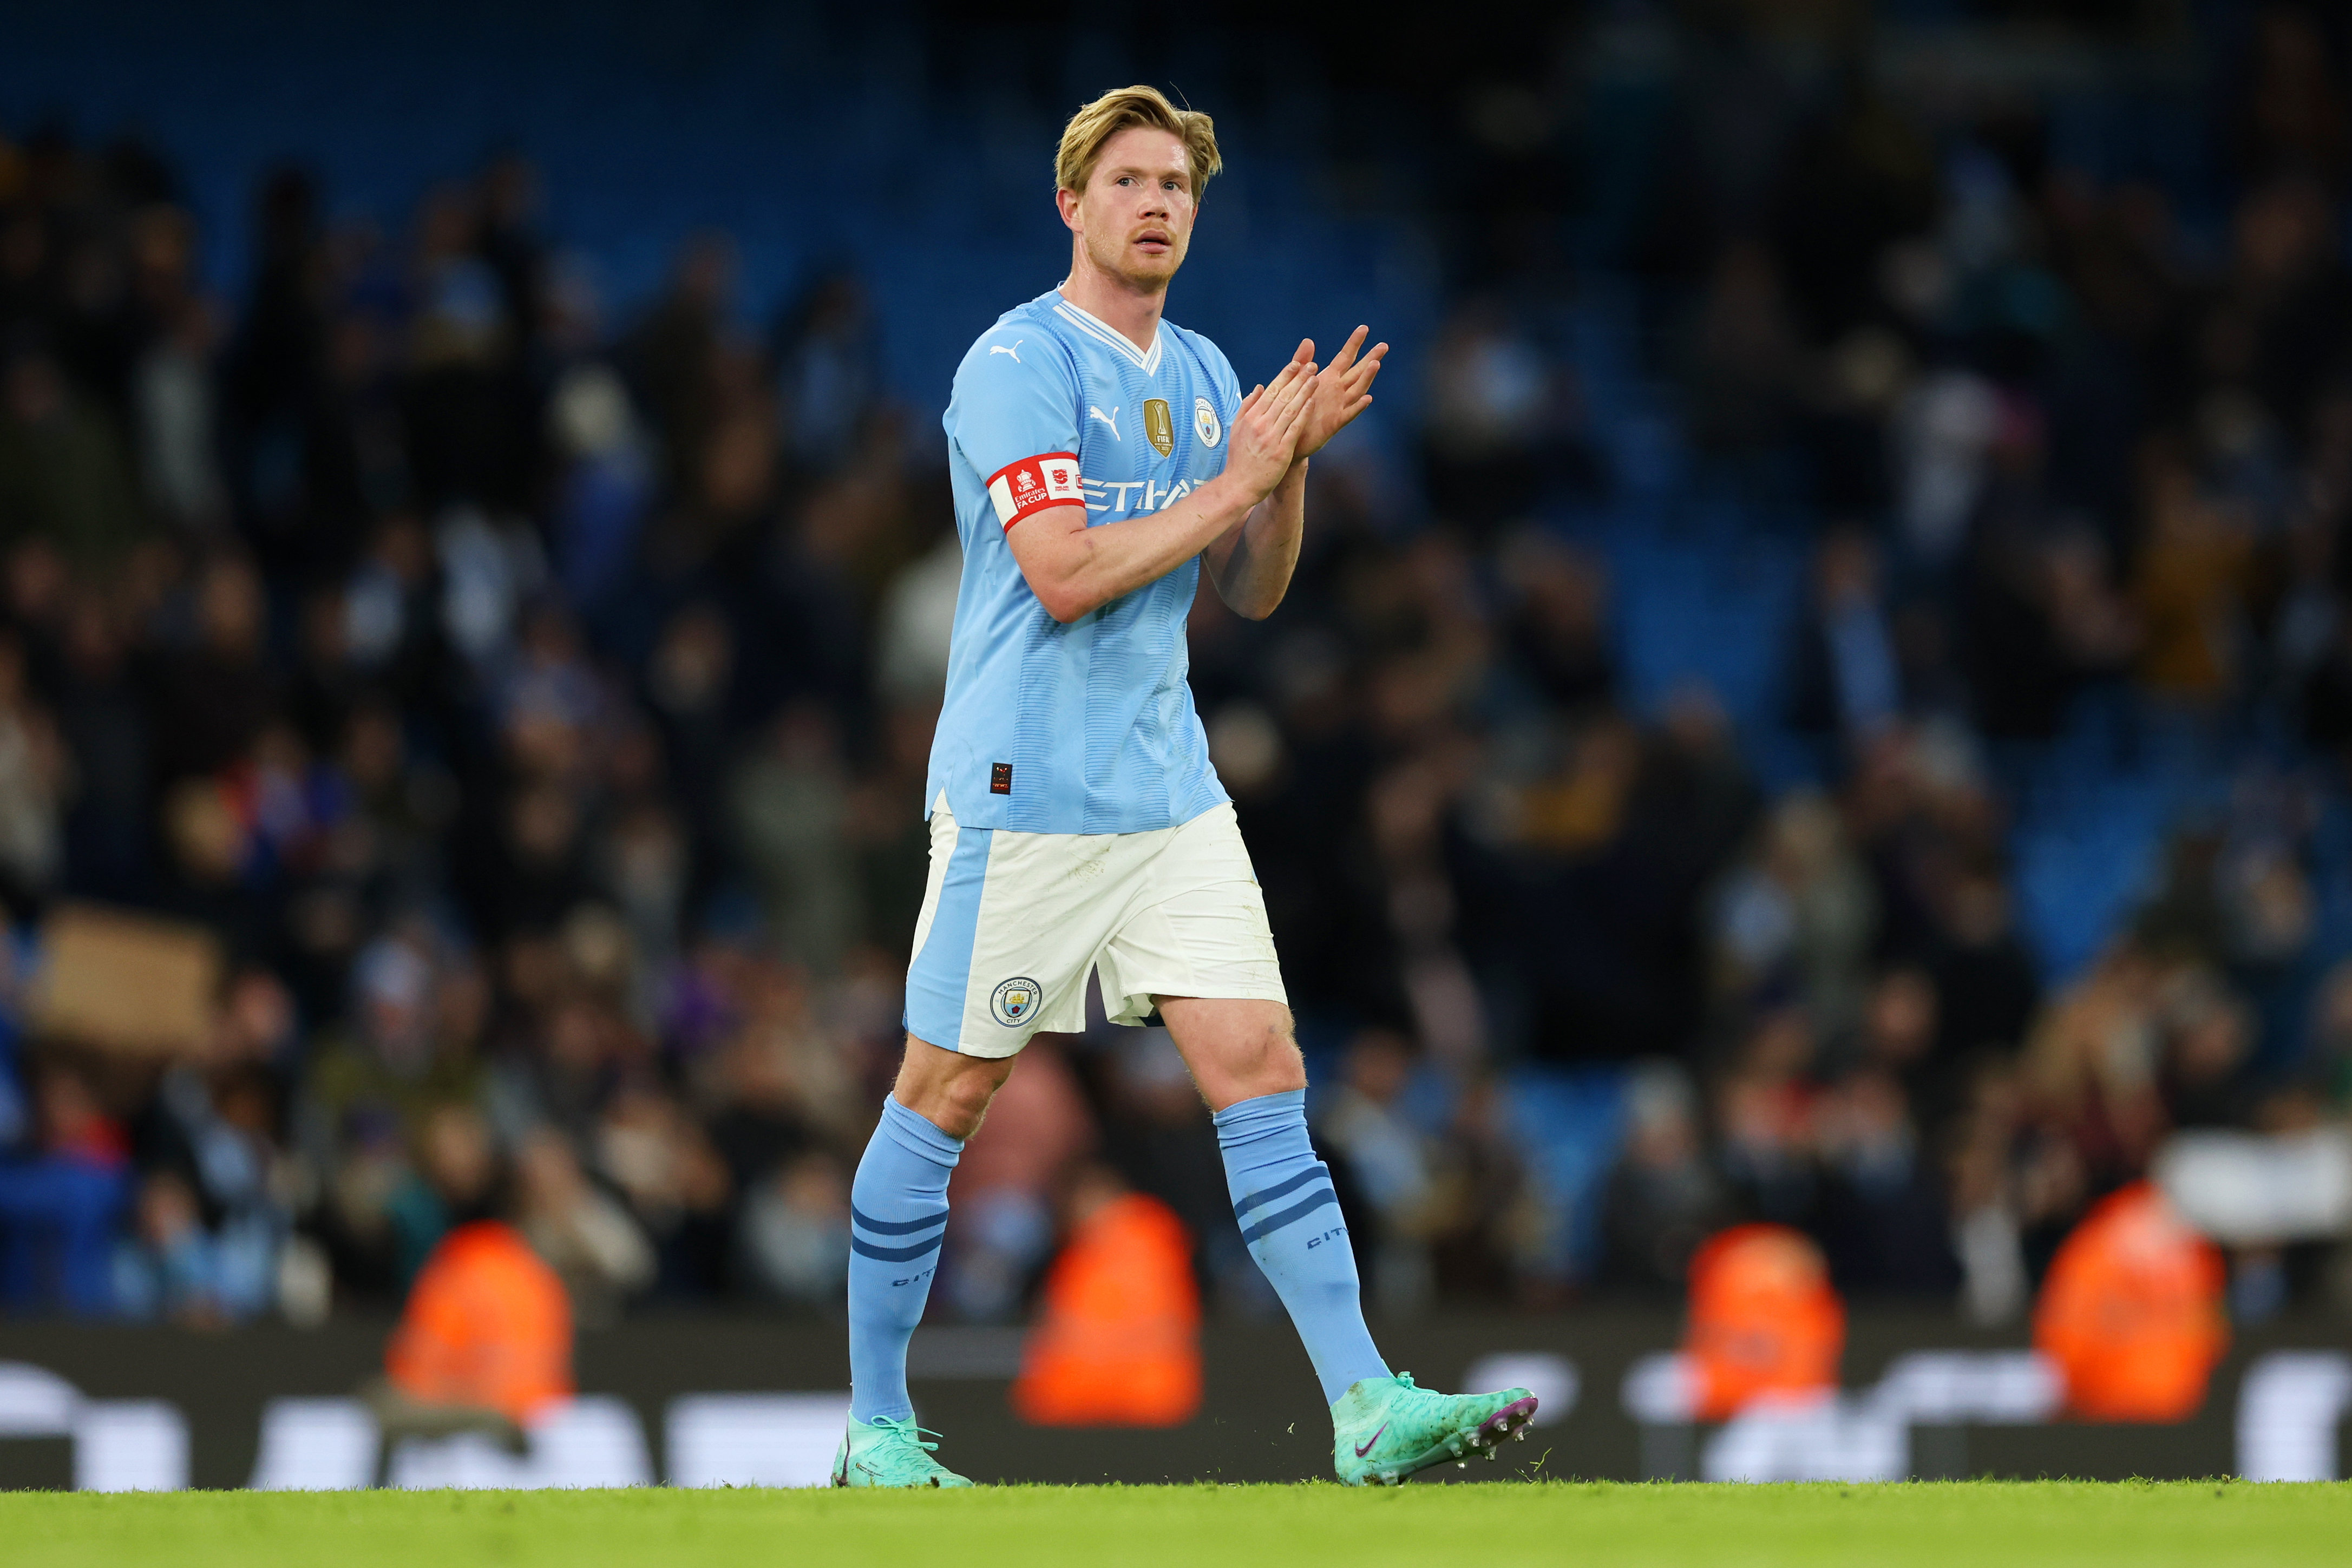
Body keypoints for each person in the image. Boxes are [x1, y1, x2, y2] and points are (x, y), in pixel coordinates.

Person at [831, 84, 1536, 1490]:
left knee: (1261, 1069)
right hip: (1024, 789)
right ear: (1072, 205)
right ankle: (875, 1427)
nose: (1159, 203)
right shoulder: (1015, 363)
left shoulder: (1209, 372)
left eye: (1180, 187)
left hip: (1168, 793)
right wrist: (1239, 479)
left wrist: (1282, 481)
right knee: (946, 1090)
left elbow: (1255, 593)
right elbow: (1065, 571)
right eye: (1131, 180)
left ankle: (1362, 1408)